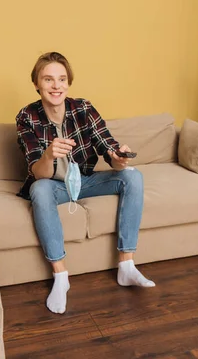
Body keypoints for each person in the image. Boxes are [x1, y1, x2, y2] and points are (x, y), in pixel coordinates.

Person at [15, 52, 155, 314]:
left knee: (132, 176)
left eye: (61, 79)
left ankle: (126, 266)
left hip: (85, 181)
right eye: (48, 79)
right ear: (36, 83)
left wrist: (118, 158)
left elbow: (108, 147)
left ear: (68, 83)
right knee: (39, 189)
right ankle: (61, 277)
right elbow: (38, 173)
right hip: (53, 186)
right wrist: (48, 154)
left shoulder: (83, 109)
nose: (56, 86)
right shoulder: (26, 117)